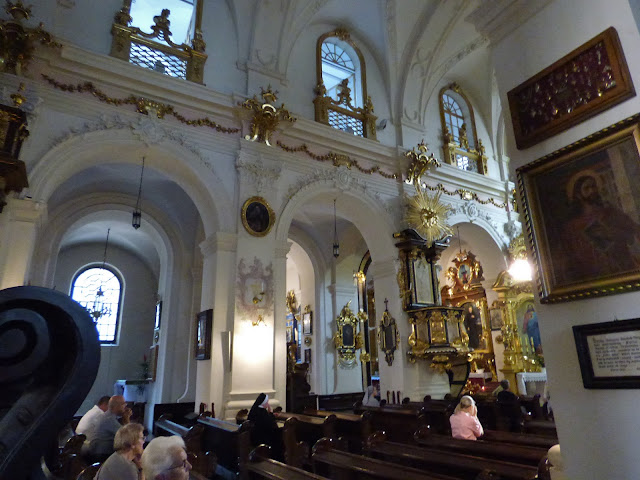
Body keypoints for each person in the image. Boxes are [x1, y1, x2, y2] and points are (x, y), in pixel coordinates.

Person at [557, 170, 640, 284]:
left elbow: (633, 231)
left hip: (624, 270)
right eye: (587, 188)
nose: (592, 190)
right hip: (594, 279)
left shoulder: (611, 213)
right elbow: (569, 259)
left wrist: (614, 233)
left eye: (594, 186)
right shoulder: (572, 227)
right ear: (578, 195)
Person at [89, 395, 132, 461]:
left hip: (99, 451)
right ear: (116, 406)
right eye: (123, 404)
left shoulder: (107, 416)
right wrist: (127, 418)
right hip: (102, 454)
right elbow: (128, 436)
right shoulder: (109, 419)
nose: (125, 407)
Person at [247, 393, 282, 459]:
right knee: (278, 438)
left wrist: (271, 415)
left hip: (254, 437)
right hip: (262, 438)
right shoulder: (262, 412)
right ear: (264, 402)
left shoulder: (255, 409)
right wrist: (271, 413)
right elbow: (270, 424)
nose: (268, 403)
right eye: (267, 402)